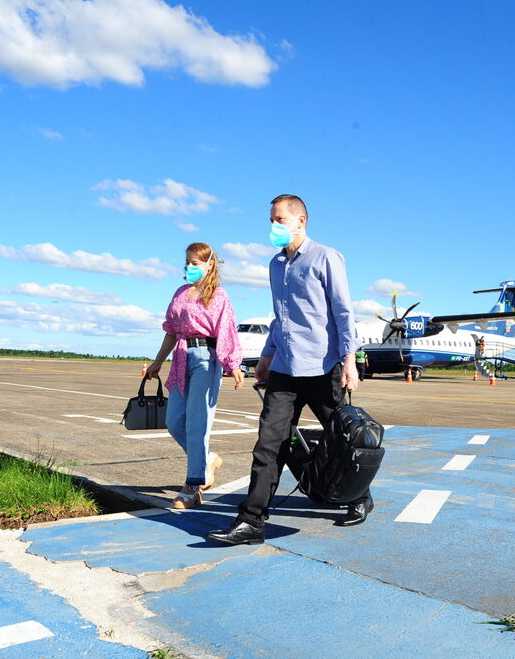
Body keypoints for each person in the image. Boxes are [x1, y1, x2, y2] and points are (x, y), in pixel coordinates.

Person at [208, 194, 366, 547]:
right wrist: (266, 356)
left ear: (300, 221)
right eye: (271, 220)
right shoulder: (275, 265)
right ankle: (252, 521)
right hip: (284, 369)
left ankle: (359, 495)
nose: (273, 226)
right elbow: (280, 318)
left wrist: (349, 360)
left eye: (279, 220)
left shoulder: (326, 257)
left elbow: (344, 312)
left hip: (323, 366)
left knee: (343, 440)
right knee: (268, 444)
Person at [146, 243, 243, 510]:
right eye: (187, 262)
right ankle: (207, 458)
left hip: (206, 359)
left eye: (195, 263)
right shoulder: (180, 293)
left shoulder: (218, 295)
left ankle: (193, 486)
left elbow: (227, 331)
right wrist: (157, 362)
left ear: (209, 265)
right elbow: (171, 331)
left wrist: (232, 364)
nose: (189, 267)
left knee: (197, 424)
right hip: (180, 357)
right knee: (174, 421)